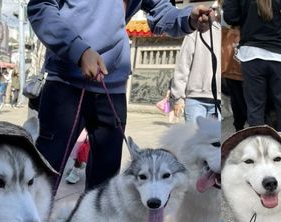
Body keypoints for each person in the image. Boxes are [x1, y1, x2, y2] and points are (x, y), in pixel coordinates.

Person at [27, 0, 213, 193]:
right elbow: (40, 7)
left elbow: (161, 10)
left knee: (105, 186)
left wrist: (187, 18)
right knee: (44, 176)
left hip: (112, 84)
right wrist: (77, 50)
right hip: (66, 82)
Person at [223, 0, 281, 139]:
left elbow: (230, 17)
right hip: (280, 56)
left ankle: (258, 151)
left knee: (255, 109)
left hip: (251, 56)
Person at [171, 16, 221, 121]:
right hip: (195, 99)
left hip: (220, 100)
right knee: (196, 136)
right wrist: (178, 98)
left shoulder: (228, 33)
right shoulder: (196, 31)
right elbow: (183, 65)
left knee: (214, 138)